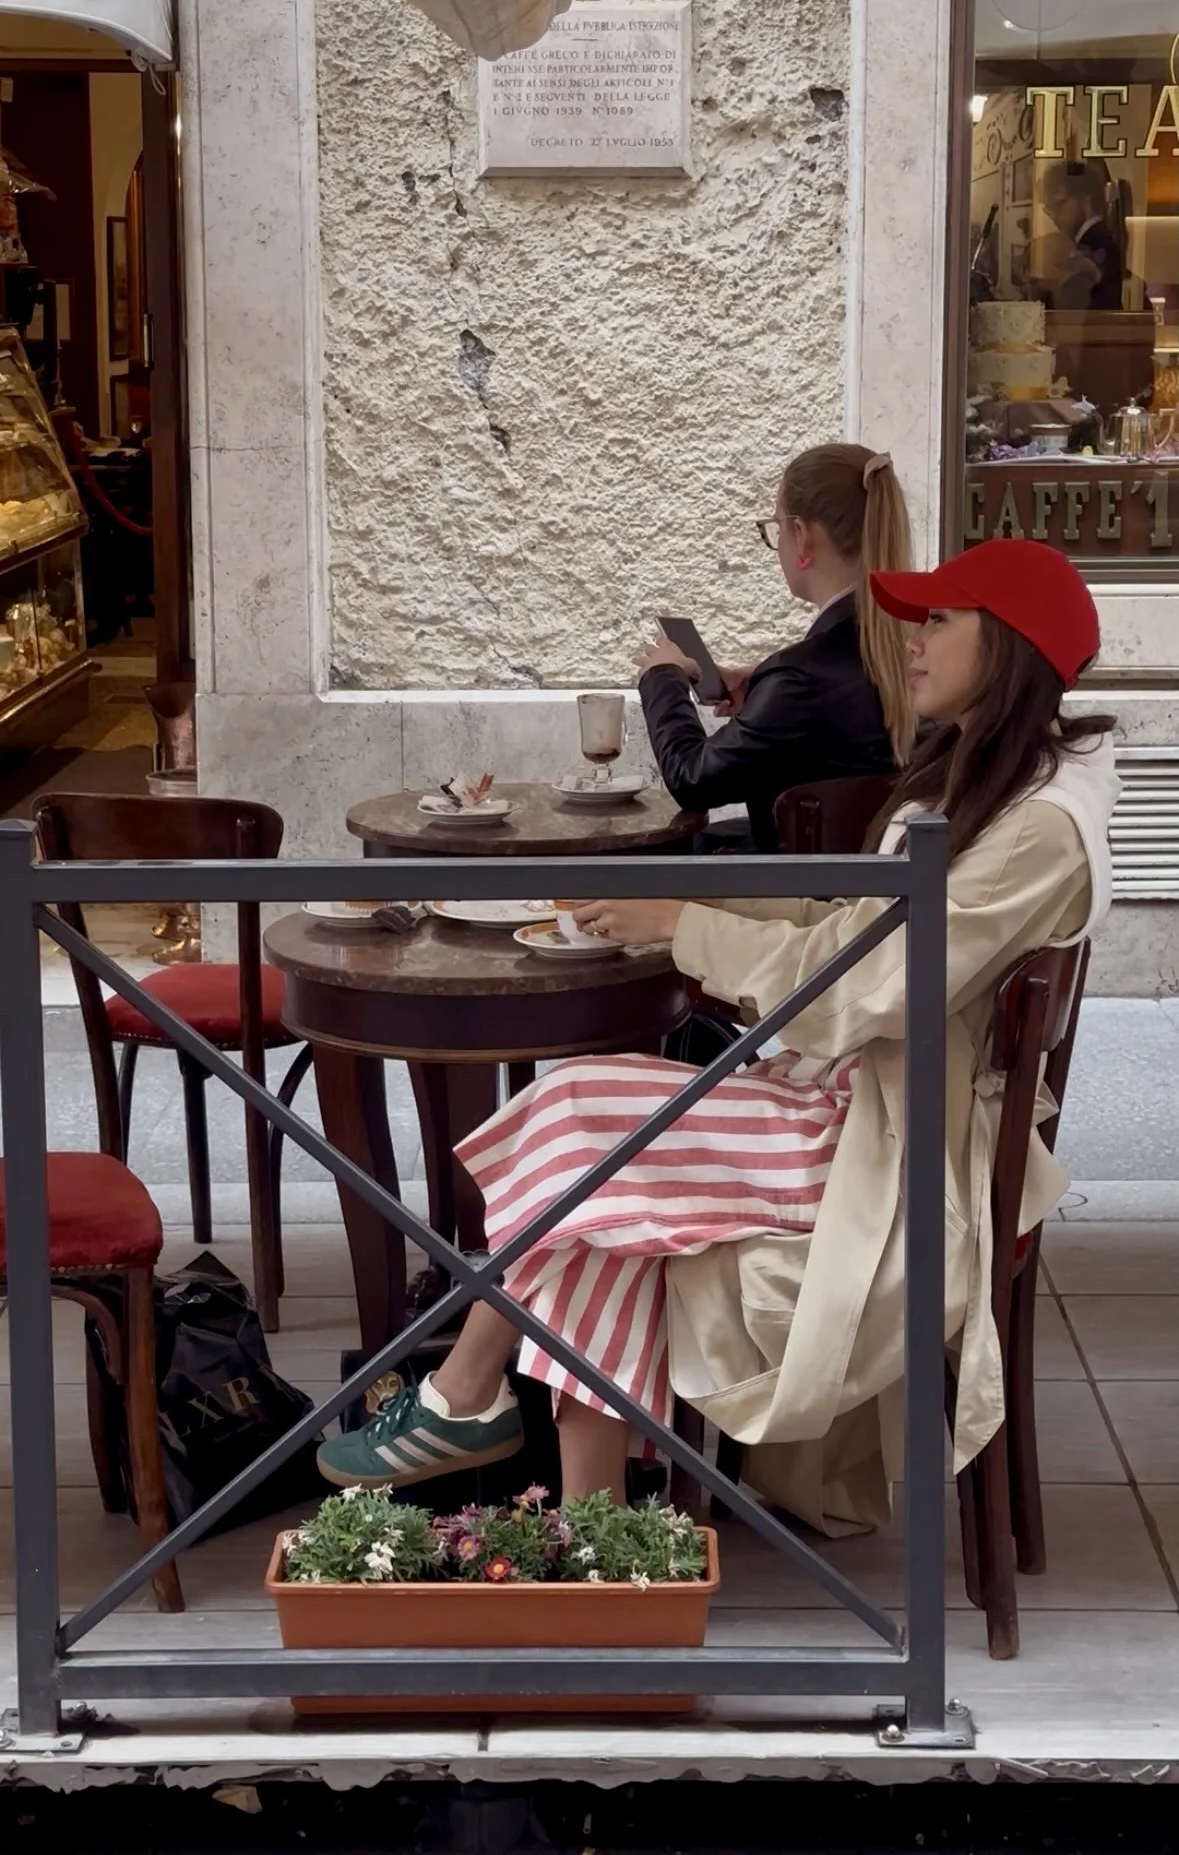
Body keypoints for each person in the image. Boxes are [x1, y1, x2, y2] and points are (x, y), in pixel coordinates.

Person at [320, 543, 1119, 1534]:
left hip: (892, 1147)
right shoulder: (993, 785)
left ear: (1007, 646)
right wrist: (688, 906)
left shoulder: (1038, 829)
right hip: (854, 1101)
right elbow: (854, 932)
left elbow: (872, 985)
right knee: (595, 1184)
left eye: (939, 621)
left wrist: (685, 926)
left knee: (579, 1118)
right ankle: (594, 1531)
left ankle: (468, 1399)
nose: (911, 641)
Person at [634, 444, 916, 853]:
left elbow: (692, 779)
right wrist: (763, 690)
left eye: (776, 527)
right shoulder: (913, 651)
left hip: (802, 887)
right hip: (874, 877)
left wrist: (663, 677)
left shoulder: (799, 680)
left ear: (801, 535)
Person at [1040, 159, 1123, 312]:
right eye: (1048, 208)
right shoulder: (1099, 239)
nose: (1053, 215)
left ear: (1085, 198)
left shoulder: (1096, 245)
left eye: (1058, 204)